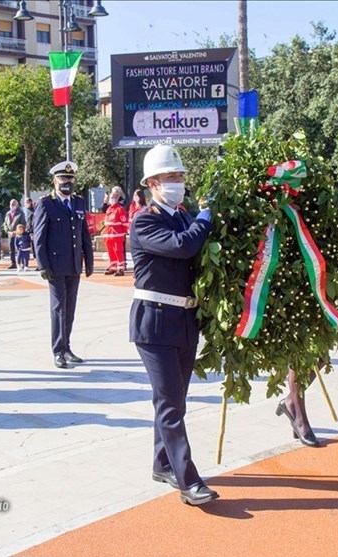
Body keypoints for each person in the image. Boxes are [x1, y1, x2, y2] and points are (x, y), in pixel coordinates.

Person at [130, 145, 218, 506]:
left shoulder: (183, 216)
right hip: (154, 323)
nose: (178, 183)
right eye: (170, 178)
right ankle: (188, 480)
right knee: (169, 403)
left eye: (180, 177)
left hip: (183, 320)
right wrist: (206, 217)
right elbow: (184, 246)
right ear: (152, 184)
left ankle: (162, 463)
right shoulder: (145, 220)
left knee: (173, 400)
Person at [33, 161, 94, 369]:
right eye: (63, 179)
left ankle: (67, 347)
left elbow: (84, 233)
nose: (67, 182)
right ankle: (58, 350)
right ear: (54, 181)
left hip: (74, 264)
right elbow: (39, 237)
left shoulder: (78, 202)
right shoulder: (46, 203)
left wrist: (89, 260)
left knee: (70, 308)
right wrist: (43, 265)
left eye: (70, 179)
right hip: (55, 266)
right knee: (59, 308)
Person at [103, 186, 130, 276]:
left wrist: (127, 232)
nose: (112, 199)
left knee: (118, 251)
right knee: (111, 252)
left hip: (117, 235)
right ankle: (113, 267)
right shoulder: (109, 209)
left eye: (113, 198)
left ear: (117, 199)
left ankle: (120, 268)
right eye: (111, 198)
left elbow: (124, 223)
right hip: (108, 235)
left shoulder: (120, 209)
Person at [4, 199, 26, 269]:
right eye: (11, 204)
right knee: (11, 249)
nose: (12, 206)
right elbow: (5, 224)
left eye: (13, 204)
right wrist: (8, 231)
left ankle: (22, 263)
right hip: (10, 234)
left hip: (18, 234)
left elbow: (23, 223)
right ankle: (13, 263)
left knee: (20, 249)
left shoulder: (20, 213)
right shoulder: (8, 213)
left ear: (17, 205)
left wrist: (16, 232)